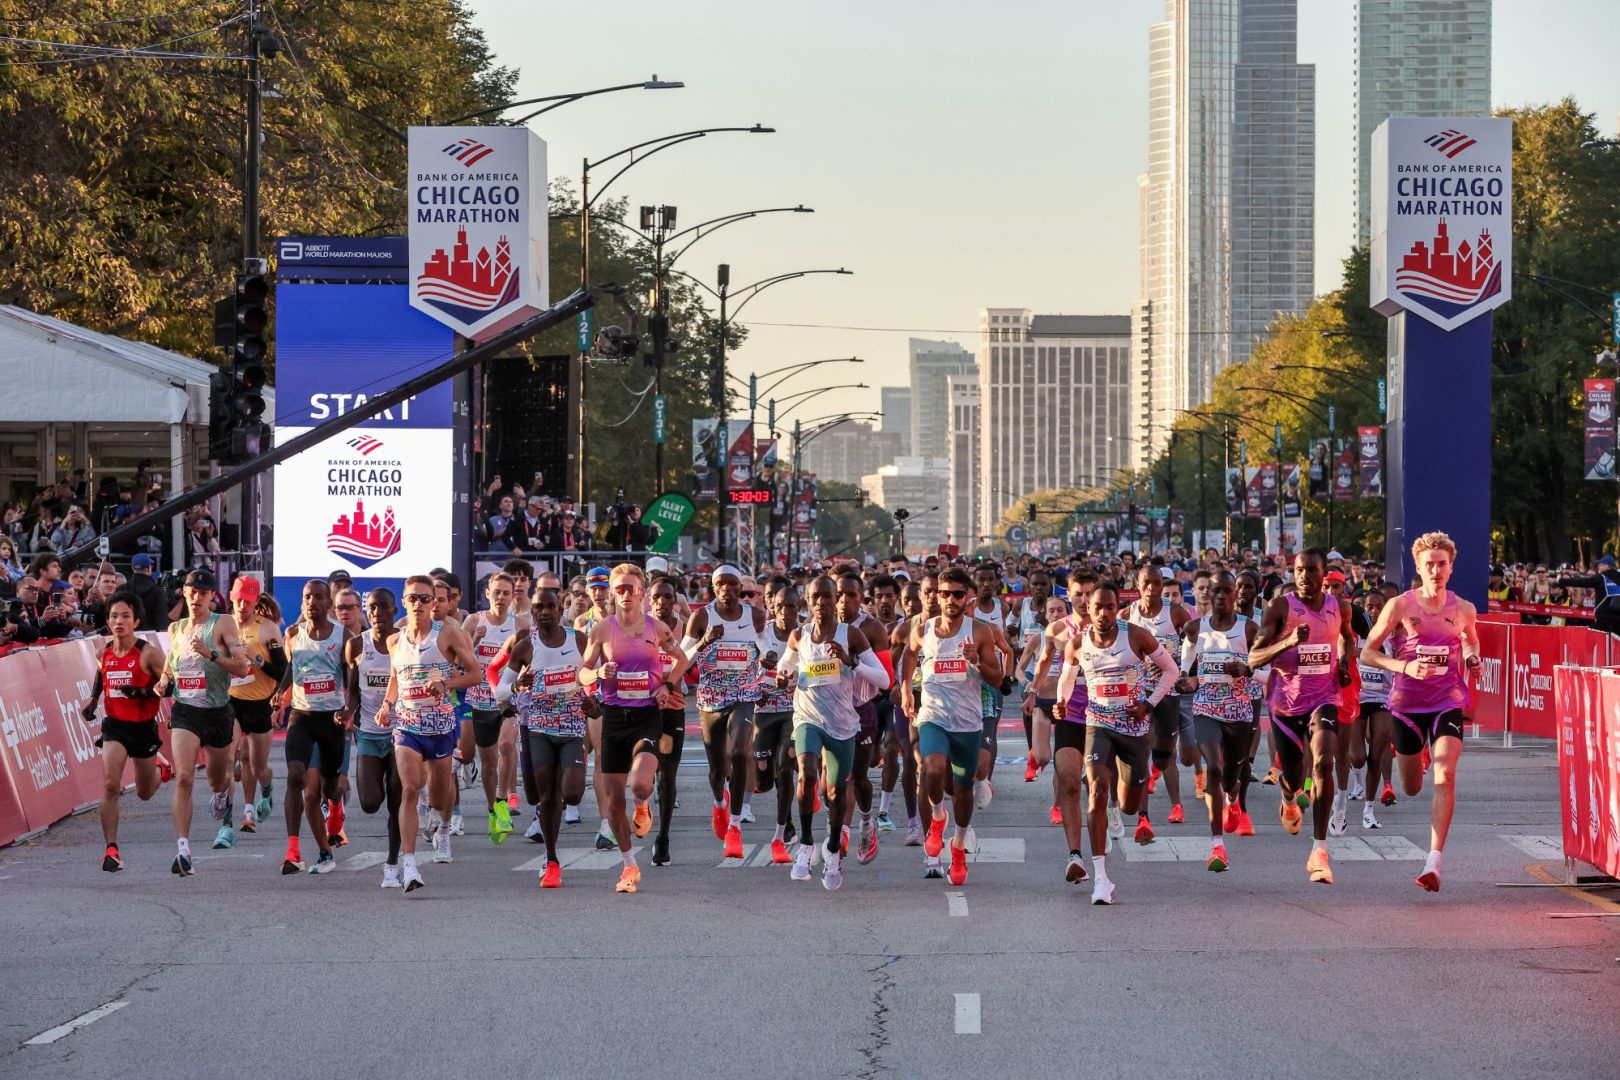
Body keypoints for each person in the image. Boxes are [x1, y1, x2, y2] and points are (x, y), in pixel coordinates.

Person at [1360, 531, 1481, 892]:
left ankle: (1433, 861)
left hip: (1447, 701)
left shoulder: (1463, 609)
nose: (1436, 571)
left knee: (1444, 776)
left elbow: (1471, 640)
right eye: (1430, 565)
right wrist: (1404, 667)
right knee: (1412, 787)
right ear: (1418, 566)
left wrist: (1472, 658)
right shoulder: (1400, 606)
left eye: (1442, 564)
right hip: (1406, 706)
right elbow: (1368, 652)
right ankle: (1416, 755)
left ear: (1451, 566)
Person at [1055, 584, 1180, 904]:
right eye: (1098, 607)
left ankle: (1118, 808)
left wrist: (1149, 705)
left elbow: (1171, 670)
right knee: (1096, 789)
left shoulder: (1136, 636)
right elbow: (1067, 678)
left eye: (1110, 607)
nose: (1103, 613)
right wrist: (1061, 702)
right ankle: (1101, 879)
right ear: (1088, 607)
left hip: (1134, 729)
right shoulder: (1077, 643)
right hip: (1098, 723)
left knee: (1128, 805)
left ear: (1117, 607)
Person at [579, 564, 691, 892]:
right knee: (614, 803)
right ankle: (629, 866)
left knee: (640, 784)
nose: (626, 594)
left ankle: (642, 805)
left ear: (642, 593)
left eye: (632, 588)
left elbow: (681, 660)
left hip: (646, 716)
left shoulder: (656, 628)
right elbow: (582, 671)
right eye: (620, 589)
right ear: (612, 593)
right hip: (614, 716)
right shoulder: (601, 630)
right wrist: (598, 675)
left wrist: (667, 685)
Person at [1249, 549, 1355, 886]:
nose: (1304, 576)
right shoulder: (1280, 607)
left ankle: (1319, 850)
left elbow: (1347, 639)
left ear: (1324, 573)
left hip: (1324, 698)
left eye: (1311, 570)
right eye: (1299, 570)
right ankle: (1288, 795)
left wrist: (1343, 663)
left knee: (1323, 762)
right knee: (1295, 778)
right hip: (1285, 705)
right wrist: (1289, 642)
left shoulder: (1340, 607)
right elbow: (1253, 658)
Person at [777, 575, 889, 889]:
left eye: (828, 596)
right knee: (807, 774)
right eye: (816, 598)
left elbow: (883, 680)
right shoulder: (799, 636)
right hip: (808, 718)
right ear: (807, 601)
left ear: (834, 599)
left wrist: (851, 662)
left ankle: (834, 850)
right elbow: (784, 668)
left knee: (837, 792)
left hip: (842, 724)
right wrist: (781, 677)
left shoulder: (851, 634)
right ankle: (806, 845)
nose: (822, 603)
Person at [378, 574, 483, 893]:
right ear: (404, 601)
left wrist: (446, 684)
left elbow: (475, 674)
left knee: (438, 797)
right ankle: (410, 865)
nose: (419, 604)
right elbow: (395, 678)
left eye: (426, 598)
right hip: (407, 726)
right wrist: (387, 704)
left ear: (434, 602)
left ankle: (444, 824)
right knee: (409, 789)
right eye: (413, 598)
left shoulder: (448, 634)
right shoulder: (394, 641)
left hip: (440, 726)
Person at [901, 567, 1004, 886]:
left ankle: (958, 846)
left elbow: (997, 679)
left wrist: (977, 661)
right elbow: (909, 653)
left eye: (957, 594)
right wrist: (905, 688)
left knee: (962, 789)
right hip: (933, 716)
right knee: (931, 769)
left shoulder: (980, 632)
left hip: (967, 722)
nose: (949, 599)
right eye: (944, 593)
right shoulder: (924, 629)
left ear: (966, 597)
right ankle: (937, 816)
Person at [154, 568, 252, 874]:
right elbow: (171, 665)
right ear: (184, 593)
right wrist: (163, 681)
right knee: (183, 776)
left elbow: (242, 668)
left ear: (212, 596)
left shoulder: (223, 623)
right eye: (192, 592)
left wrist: (211, 654)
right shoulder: (176, 628)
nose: (196, 598)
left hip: (218, 711)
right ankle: (183, 849)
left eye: (203, 593)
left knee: (217, 779)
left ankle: (223, 793)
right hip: (185, 710)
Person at [504, 587, 597, 888]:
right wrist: (517, 685)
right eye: (538, 607)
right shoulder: (525, 645)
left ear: (560, 609)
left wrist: (594, 701)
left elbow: (598, 678)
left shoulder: (578, 640)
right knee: (545, 797)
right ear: (532, 612)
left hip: (571, 729)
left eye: (550, 606)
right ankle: (552, 860)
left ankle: (554, 835)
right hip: (539, 729)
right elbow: (500, 689)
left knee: (571, 794)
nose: (544, 612)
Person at [682, 564, 767, 859]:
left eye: (733, 584)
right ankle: (719, 803)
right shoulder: (702, 617)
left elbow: (767, 648)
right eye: (721, 584)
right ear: (713, 587)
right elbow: (683, 659)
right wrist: (705, 641)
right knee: (718, 769)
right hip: (711, 699)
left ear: (740, 588)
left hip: (744, 694)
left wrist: (769, 660)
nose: (727, 589)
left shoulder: (754, 615)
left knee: (741, 753)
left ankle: (735, 826)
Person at [1176, 571, 1257, 873]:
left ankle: (1233, 795)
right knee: (1213, 767)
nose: (1221, 596)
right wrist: (1185, 679)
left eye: (1226, 590)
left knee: (1230, 779)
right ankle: (1216, 844)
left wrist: (1246, 670)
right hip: (1206, 708)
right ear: (1207, 594)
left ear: (1235, 594)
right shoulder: (1195, 627)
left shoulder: (1249, 628)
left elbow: (1269, 671)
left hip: (1239, 713)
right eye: (1216, 591)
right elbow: (1186, 664)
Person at [80, 589, 166, 872]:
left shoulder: (148, 653)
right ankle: (111, 849)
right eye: (114, 616)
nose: (119, 621)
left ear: (136, 621)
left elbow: (171, 686)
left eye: (125, 616)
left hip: (143, 728)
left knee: (144, 792)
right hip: (115, 726)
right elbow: (100, 673)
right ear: (108, 620)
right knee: (110, 784)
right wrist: (93, 700)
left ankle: (161, 770)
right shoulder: (102, 651)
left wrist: (141, 692)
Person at [274, 581, 355, 875]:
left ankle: (335, 805)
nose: (312, 602)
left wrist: (349, 710)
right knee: (299, 781)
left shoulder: (343, 636)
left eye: (318, 597)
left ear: (328, 604)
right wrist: (280, 694)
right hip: (302, 716)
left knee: (329, 788)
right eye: (307, 597)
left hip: (332, 719)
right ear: (302, 603)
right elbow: (292, 668)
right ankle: (300, 852)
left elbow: (352, 679)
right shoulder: (293, 634)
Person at [1125, 563, 1192, 839]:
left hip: (1169, 691)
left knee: (1165, 755)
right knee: (1142, 751)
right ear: (1137, 585)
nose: (1152, 589)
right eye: (1146, 583)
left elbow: (1194, 644)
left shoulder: (1174, 612)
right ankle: (1143, 818)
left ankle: (1174, 798)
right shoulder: (1128, 614)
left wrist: (1183, 670)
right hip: (1141, 692)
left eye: (1156, 583)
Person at [461, 572, 524, 844]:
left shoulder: (520, 624)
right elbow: (457, 660)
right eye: (496, 592)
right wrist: (474, 641)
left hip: (508, 699)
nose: (500, 597)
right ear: (487, 594)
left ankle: (503, 800)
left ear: (513, 597)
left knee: (507, 746)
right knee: (487, 763)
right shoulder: (474, 621)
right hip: (480, 699)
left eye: (506, 593)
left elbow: (529, 659)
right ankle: (492, 809)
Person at [347, 588, 404, 886]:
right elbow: (352, 690)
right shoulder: (357, 644)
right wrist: (347, 711)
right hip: (369, 732)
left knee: (396, 801)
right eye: (372, 608)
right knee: (370, 802)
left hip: (400, 732)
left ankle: (392, 864)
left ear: (395, 611)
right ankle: (385, 782)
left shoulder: (405, 643)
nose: (377, 613)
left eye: (383, 607)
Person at [227, 576, 284, 837]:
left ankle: (267, 788)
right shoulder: (223, 626)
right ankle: (245, 811)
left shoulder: (267, 629)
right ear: (231, 597)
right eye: (239, 600)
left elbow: (282, 671)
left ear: (256, 602)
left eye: (248, 602)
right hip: (231, 701)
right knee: (235, 757)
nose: (243, 606)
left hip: (260, 703)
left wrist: (258, 659)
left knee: (258, 766)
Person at [753, 582, 801, 865]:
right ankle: (783, 808)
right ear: (772, 606)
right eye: (780, 606)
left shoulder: (805, 634)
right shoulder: (762, 633)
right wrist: (754, 690)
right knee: (764, 778)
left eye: (791, 606)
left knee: (785, 766)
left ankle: (783, 828)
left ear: (799, 608)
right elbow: (745, 666)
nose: (785, 611)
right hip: (763, 711)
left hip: (793, 711)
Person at [647, 576, 693, 866]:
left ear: (675, 600)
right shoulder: (638, 626)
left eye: (667, 597)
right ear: (648, 600)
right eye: (656, 597)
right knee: (642, 769)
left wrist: (670, 681)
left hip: (672, 708)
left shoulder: (684, 628)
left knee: (667, 773)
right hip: (641, 708)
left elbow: (690, 660)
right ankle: (642, 802)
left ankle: (662, 838)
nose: (662, 603)